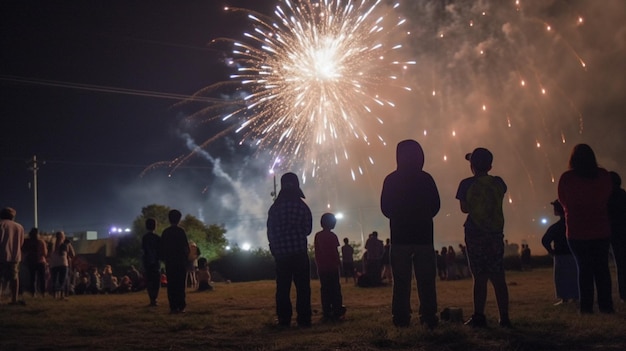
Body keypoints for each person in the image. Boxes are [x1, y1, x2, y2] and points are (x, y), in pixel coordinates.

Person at [381, 139, 440, 328]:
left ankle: (401, 317)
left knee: (400, 281)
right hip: (424, 236)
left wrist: (398, 217)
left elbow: (385, 208)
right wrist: (423, 216)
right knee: (426, 280)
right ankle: (429, 316)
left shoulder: (391, 179)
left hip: (399, 237)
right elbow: (436, 205)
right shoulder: (426, 178)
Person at [456, 147, 511, 328]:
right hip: (495, 233)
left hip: (475, 233)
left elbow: (464, 208)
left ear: (472, 166)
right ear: (490, 165)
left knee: (479, 276)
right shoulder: (499, 183)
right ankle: (504, 317)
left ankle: (479, 315)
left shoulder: (465, 184)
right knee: (498, 276)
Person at [558, 143, 614, 314]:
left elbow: (563, 200)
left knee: (584, 270)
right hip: (601, 229)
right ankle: (606, 306)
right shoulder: (603, 175)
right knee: (602, 270)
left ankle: (586, 307)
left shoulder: (567, 178)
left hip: (577, 231)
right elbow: (608, 197)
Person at [267, 172, 313, 327]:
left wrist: (274, 246)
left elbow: (270, 230)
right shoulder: (302, 206)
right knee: (303, 288)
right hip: (299, 252)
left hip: (281, 254)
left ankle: (284, 319)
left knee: (282, 288)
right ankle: (304, 319)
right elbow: (307, 229)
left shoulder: (275, 208)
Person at [541, 199, 579, 305]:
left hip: (560, 255)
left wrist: (551, 251)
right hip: (573, 254)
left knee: (561, 277)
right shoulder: (573, 224)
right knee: (574, 276)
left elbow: (545, 240)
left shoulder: (556, 227)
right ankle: (576, 296)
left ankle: (564, 298)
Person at [314, 213, 346, 322]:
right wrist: (338, 263)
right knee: (335, 288)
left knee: (325, 289)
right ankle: (337, 309)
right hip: (332, 266)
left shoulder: (318, 235)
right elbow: (334, 251)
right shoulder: (332, 236)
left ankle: (327, 310)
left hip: (322, 267)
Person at [160, 209, 190, 314]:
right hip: (180, 262)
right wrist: (186, 258)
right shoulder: (181, 232)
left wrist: (164, 259)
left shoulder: (165, 232)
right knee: (180, 285)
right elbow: (186, 248)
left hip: (170, 262)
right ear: (179, 219)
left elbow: (161, 248)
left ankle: (173, 306)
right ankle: (181, 306)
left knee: (171, 284)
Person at [0, 207, 25, 305]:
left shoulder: (1, 224)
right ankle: (14, 299)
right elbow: (21, 243)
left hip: (1, 255)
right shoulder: (19, 227)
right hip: (15, 256)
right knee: (14, 277)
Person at [608, 171, 626, 302]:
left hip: (615, 234)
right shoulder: (623, 195)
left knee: (621, 265)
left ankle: (623, 293)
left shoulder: (608, 197)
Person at [21, 227, 48, 298]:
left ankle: (33, 293)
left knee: (32, 278)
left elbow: (23, 250)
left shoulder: (28, 242)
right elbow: (45, 253)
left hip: (31, 261)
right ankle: (43, 293)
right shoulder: (41, 242)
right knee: (42, 278)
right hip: (40, 261)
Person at [48, 231, 75, 300]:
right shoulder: (65, 244)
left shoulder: (52, 244)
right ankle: (61, 295)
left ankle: (55, 295)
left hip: (53, 264)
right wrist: (69, 245)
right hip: (63, 264)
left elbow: (49, 253)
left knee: (54, 280)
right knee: (62, 280)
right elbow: (72, 254)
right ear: (63, 236)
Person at [142, 218, 161, 306]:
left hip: (147, 262)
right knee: (156, 281)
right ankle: (155, 298)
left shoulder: (145, 238)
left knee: (149, 281)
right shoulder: (157, 238)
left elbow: (143, 250)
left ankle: (152, 299)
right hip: (156, 262)